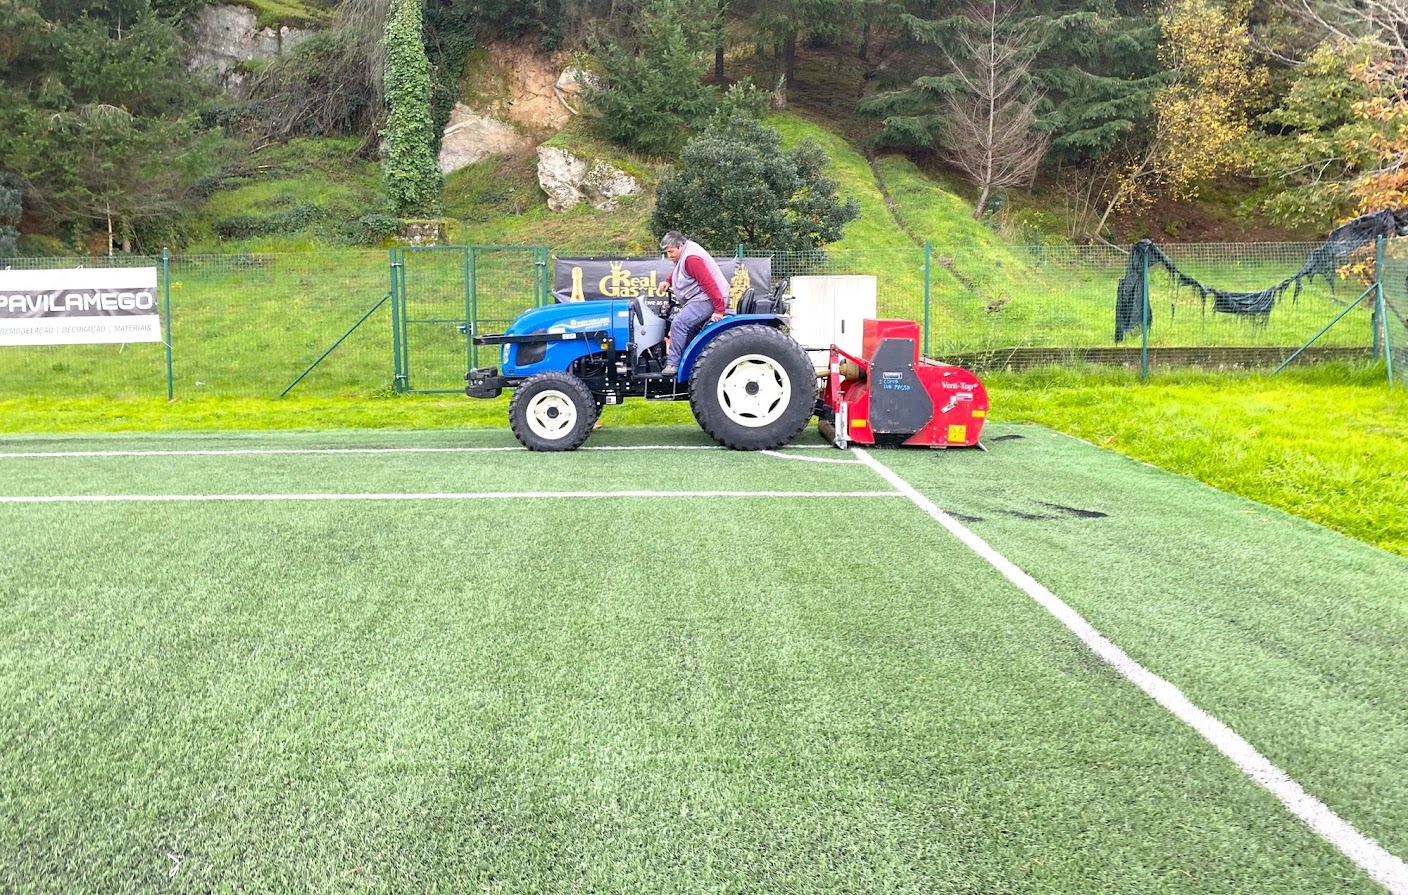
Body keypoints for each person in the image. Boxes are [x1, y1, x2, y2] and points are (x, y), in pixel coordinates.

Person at [658, 230, 728, 376]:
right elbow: (680, 269)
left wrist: (719, 309)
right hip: (702, 297)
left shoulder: (692, 259)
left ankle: (673, 365)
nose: (669, 256)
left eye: (671, 252)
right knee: (688, 328)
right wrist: (668, 281)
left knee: (679, 324)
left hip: (708, 298)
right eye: (666, 253)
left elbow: (709, 284)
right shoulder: (684, 255)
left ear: (680, 245)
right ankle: (686, 361)